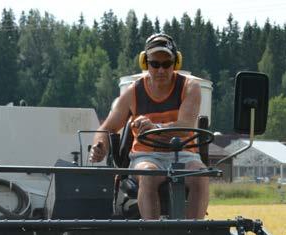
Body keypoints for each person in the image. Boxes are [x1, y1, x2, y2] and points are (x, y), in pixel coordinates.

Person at [89, 33, 208, 220]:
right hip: (147, 156)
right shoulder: (133, 92)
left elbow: (185, 127)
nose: (161, 70)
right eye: (155, 64)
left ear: (176, 63)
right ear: (145, 63)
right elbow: (106, 128)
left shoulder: (190, 87)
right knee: (148, 174)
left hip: (184, 153)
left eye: (166, 64)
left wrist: (154, 127)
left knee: (200, 175)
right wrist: (100, 147)